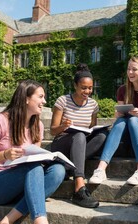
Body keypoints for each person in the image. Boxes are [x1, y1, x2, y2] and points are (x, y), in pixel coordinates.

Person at [0, 80, 66, 224]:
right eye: (40, 96)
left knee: (58, 170)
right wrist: (5, 154)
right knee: (33, 167)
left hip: (21, 186)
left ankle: (8, 219)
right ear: (26, 98)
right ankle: (40, 220)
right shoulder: (0, 120)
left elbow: (35, 158)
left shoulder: (38, 125)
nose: (44, 101)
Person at [89, 56, 138, 186]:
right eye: (128, 69)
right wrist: (119, 113)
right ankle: (101, 169)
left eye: (134, 69)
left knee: (133, 120)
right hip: (128, 132)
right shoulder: (122, 90)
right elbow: (119, 116)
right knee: (121, 121)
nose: (130, 72)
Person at [50, 63, 107, 208]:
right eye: (83, 88)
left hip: (79, 143)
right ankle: (79, 187)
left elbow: (91, 127)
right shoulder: (63, 101)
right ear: (75, 86)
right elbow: (53, 130)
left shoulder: (93, 105)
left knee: (102, 136)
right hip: (62, 142)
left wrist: (94, 130)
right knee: (80, 135)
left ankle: (70, 167)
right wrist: (64, 126)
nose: (87, 91)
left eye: (90, 88)